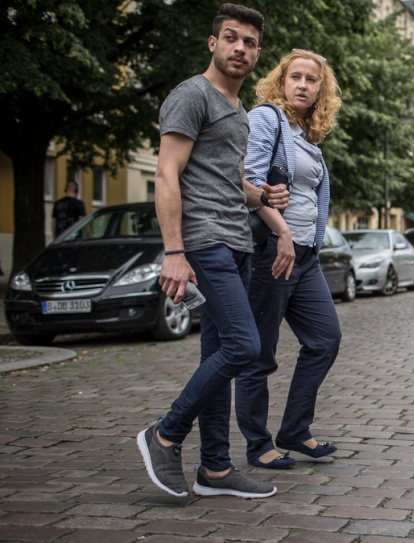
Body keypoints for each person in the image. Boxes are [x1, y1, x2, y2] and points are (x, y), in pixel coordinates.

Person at [136, 3, 289, 499]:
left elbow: (231, 181)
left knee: (220, 352)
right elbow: (166, 173)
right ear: (213, 43)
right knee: (243, 347)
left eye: (248, 42)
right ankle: (164, 434)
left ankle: (216, 468)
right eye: (231, 37)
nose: (239, 48)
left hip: (238, 243)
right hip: (204, 242)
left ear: (257, 53)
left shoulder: (239, 112)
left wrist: (264, 197)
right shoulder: (193, 95)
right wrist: (173, 251)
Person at [235, 49, 342, 469]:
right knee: (258, 354)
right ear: (281, 81)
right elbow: (250, 179)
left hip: (305, 256)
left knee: (325, 339)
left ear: (321, 89)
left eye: (310, 80)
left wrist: (306, 240)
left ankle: (295, 430)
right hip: (272, 253)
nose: (302, 84)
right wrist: (280, 232)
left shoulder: (308, 134)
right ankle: (257, 444)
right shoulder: (267, 119)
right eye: (294, 76)